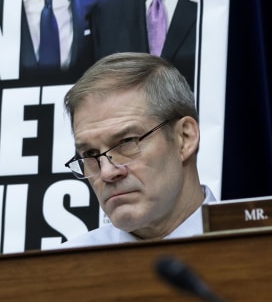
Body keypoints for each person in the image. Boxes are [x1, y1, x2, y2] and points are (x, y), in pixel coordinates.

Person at [58, 51, 214, 248]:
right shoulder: (61, 269)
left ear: (184, 138)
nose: (107, 172)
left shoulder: (260, 248)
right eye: (90, 154)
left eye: (126, 142)